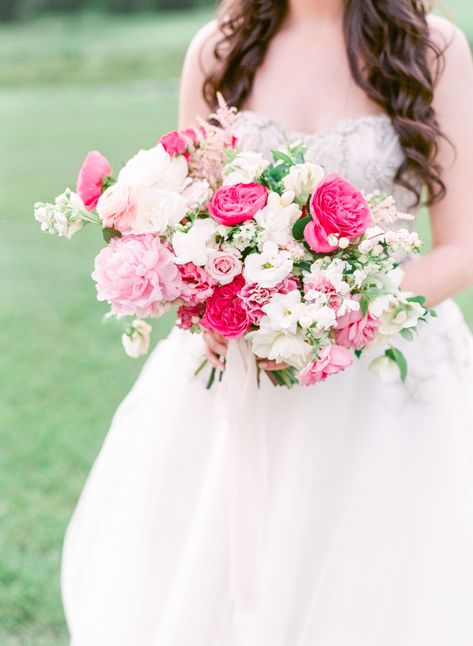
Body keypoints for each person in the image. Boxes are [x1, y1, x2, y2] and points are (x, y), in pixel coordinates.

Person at [61, 1, 473, 644]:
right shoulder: (219, 48)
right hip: (243, 369)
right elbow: (185, 218)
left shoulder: (433, 46)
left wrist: (332, 312)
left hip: (381, 374)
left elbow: (461, 248)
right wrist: (214, 311)